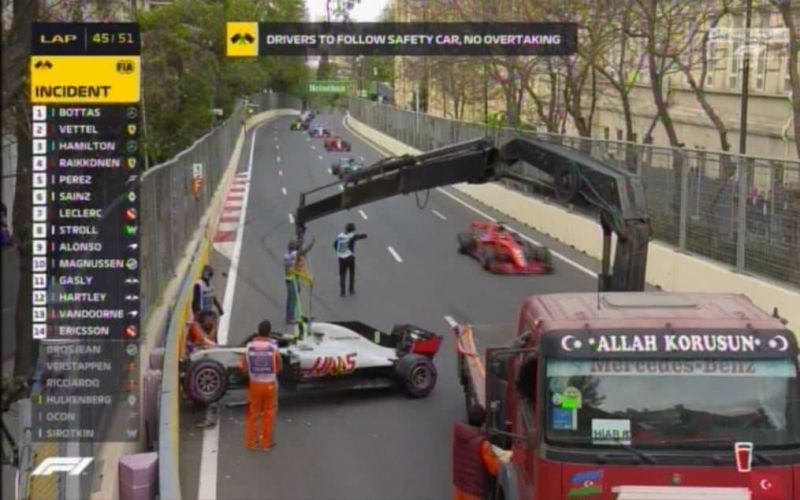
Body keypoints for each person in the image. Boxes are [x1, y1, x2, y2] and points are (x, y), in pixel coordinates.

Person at [240, 320, 281, 451]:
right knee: (269, 414)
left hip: (255, 384)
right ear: (269, 333)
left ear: (257, 331)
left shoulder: (249, 347)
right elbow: (279, 365)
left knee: (253, 413)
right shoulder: (273, 347)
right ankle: (265, 444)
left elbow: (243, 367)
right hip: (269, 384)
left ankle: (251, 443)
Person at [452, 422, 505, 500]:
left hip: (459, 489)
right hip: (474, 493)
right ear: (482, 424)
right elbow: (495, 469)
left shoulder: (459, 438)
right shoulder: (482, 444)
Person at [283, 238, 315, 324]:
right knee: (293, 299)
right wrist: (311, 244)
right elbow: (303, 252)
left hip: (289, 279)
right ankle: (290, 318)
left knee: (290, 298)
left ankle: (289, 316)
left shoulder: (286, 254)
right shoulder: (294, 254)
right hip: (292, 279)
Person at [333, 222, 367, 297]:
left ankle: (342, 292)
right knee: (352, 273)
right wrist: (365, 235)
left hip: (341, 258)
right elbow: (360, 236)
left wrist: (339, 252)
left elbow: (335, 245)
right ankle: (351, 290)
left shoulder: (340, 236)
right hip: (350, 257)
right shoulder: (352, 236)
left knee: (342, 274)